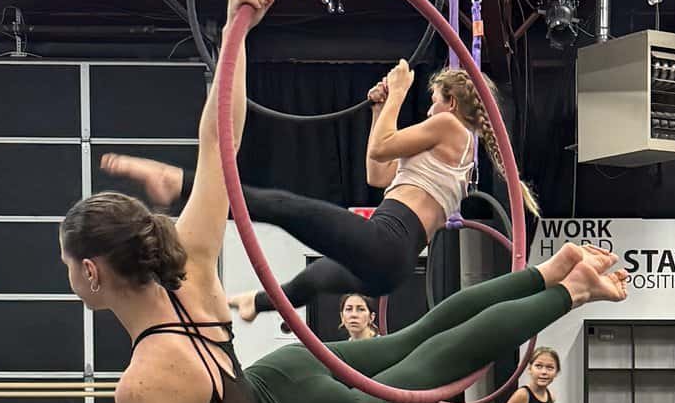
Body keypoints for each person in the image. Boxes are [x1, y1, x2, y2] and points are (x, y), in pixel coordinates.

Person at [63, 0, 626, 403]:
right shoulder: (191, 257)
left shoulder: (140, 388)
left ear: (91, 272)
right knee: (420, 338)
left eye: (67, 266)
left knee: (433, 361)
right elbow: (219, 146)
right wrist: (238, 34)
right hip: (281, 376)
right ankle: (549, 273)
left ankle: (568, 290)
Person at [101, 62, 535, 322]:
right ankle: (257, 303)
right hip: (391, 262)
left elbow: (384, 146)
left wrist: (398, 94)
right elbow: (378, 173)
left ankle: (178, 183)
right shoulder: (451, 147)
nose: (430, 109)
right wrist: (383, 109)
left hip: (389, 241)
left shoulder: (449, 127)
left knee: (284, 206)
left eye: (434, 100)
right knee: (317, 277)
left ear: (451, 104)